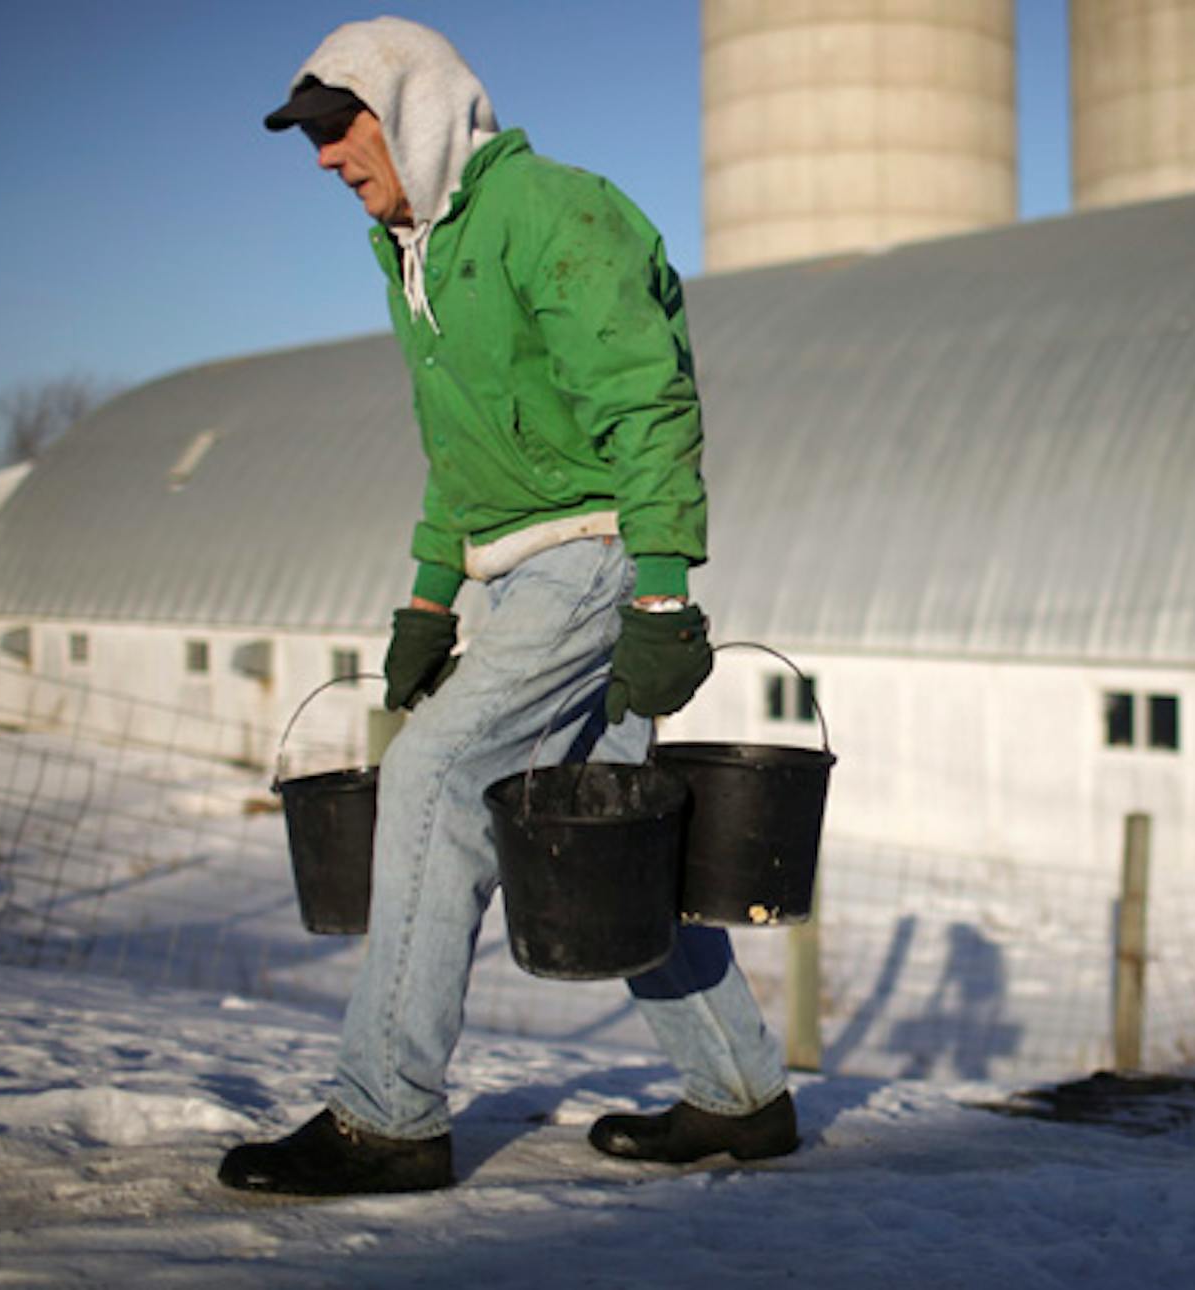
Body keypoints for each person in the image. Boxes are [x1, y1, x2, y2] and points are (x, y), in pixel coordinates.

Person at [220, 16, 794, 1196]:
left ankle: (388, 1117)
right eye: (312, 138)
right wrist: (430, 598)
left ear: (415, 108)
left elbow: (649, 407)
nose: (325, 157)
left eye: (339, 127)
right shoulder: (415, 248)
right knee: (609, 829)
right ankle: (742, 1099)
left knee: (433, 776)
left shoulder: (551, 211)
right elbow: (464, 457)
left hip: (593, 558)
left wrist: (662, 592)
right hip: (525, 567)